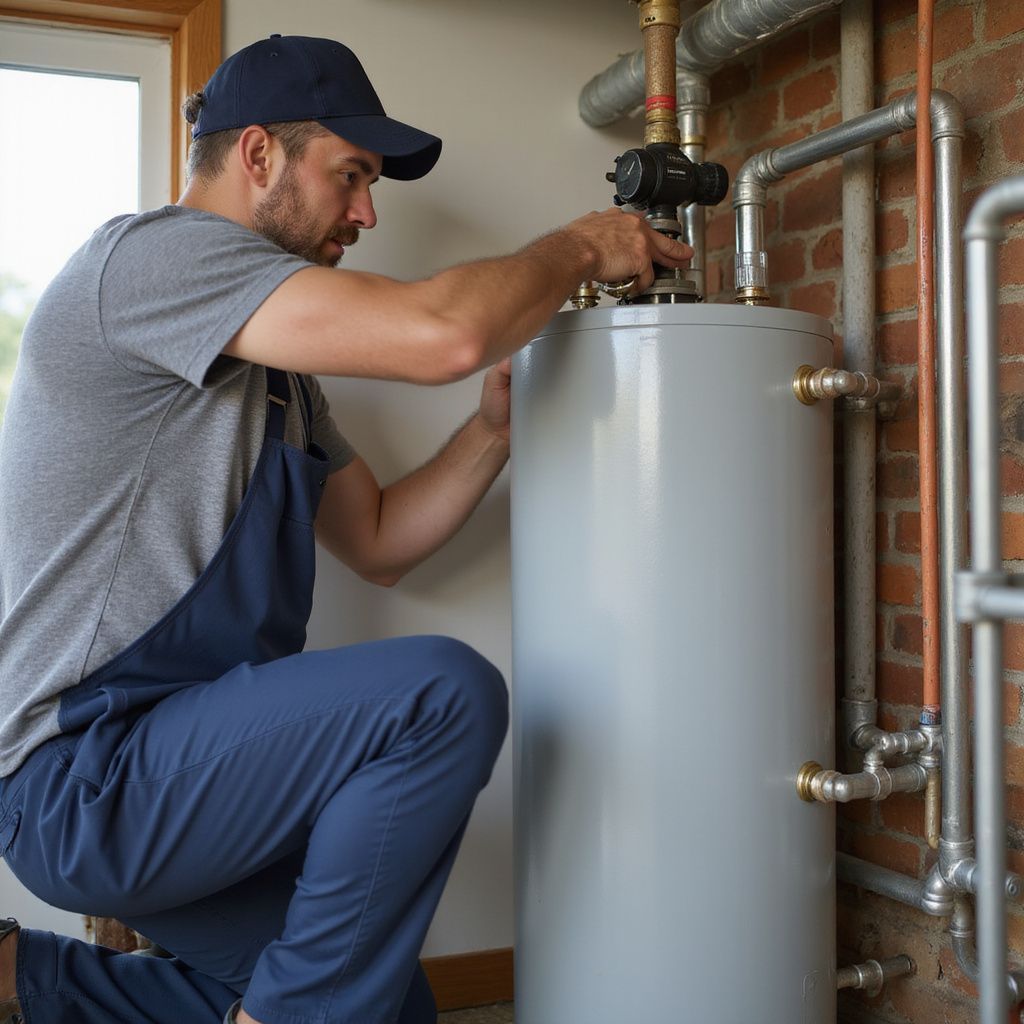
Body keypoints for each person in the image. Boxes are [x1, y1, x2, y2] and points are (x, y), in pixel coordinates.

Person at [0, 33, 691, 1024]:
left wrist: (494, 431)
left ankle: (26, 983)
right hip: (89, 773)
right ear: (257, 154)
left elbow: (378, 537)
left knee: (383, 1008)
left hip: (177, 772)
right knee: (440, 695)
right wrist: (581, 247)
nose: (367, 213)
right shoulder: (152, 258)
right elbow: (443, 334)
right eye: (351, 174)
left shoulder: (278, 375)